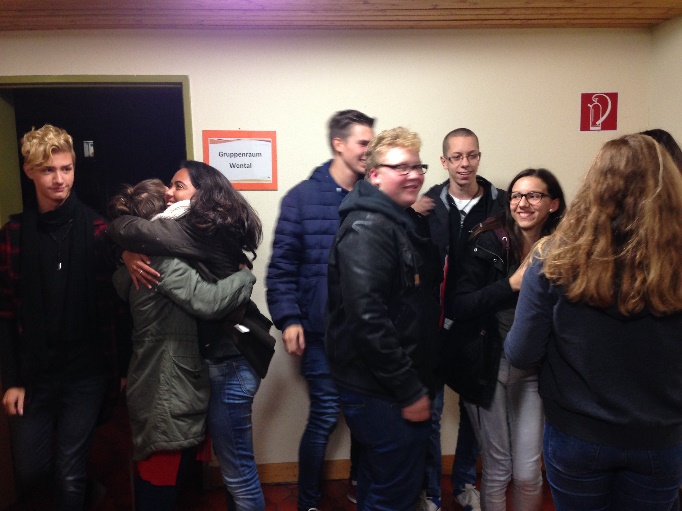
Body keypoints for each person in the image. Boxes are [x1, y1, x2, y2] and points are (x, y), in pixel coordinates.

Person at [505, 134, 682, 511]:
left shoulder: (553, 258)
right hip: (661, 438)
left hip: (578, 435)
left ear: (595, 186)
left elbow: (521, 352)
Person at [108, 161, 266, 511]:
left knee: (233, 473)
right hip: (179, 375)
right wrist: (128, 251)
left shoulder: (196, 233)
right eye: (168, 187)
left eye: (178, 186)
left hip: (221, 364)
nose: (170, 193)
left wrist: (127, 249)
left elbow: (206, 300)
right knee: (215, 474)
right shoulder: (164, 252)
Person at [0, 124, 121, 510]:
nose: (59, 179)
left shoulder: (99, 230)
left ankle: (78, 490)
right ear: (29, 171)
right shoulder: (13, 234)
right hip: (34, 373)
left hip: (86, 372)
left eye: (66, 169)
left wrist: (119, 368)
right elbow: (5, 313)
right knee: (30, 471)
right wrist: (12, 380)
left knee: (69, 472)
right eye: (48, 170)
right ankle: (88, 491)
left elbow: (115, 307)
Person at [326, 127, 442, 510]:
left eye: (418, 166)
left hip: (386, 386)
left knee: (380, 488)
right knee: (393, 496)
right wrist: (408, 389)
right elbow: (368, 319)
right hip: (383, 391)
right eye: (401, 167)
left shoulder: (395, 220)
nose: (414, 175)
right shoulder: (369, 228)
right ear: (374, 174)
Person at [266, 109, 374, 510]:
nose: (369, 151)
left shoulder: (375, 195)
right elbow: (281, 268)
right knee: (326, 414)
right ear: (339, 144)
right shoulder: (301, 198)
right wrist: (289, 319)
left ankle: (361, 485)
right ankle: (308, 501)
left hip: (367, 332)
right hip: (320, 332)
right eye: (363, 143)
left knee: (366, 416)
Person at [448, 168, 565, 511]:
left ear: (554, 204)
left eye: (533, 195)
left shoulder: (565, 247)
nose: (522, 203)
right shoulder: (487, 240)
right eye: (516, 195)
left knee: (528, 473)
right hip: (487, 366)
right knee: (498, 468)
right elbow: (459, 305)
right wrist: (511, 284)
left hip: (534, 369)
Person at [415, 128, 506, 511]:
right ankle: (431, 493)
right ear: (444, 161)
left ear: (479, 157)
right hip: (434, 327)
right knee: (432, 414)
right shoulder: (427, 205)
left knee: (474, 412)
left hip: (480, 325)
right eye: (456, 157)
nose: (464, 164)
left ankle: (466, 483)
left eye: (471, 155)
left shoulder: (501, 205)